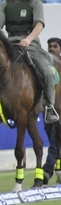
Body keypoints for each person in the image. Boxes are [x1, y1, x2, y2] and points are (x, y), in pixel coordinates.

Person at [0, 0, 59, 124]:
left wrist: (28, 39)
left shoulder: (34, 1)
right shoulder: (5, 3)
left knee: (47, 70)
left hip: (30, 44)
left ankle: (49, 106)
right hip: (10, 43)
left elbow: (39, 24)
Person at [43, 37, 61, 182]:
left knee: (55, 142)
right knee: (54, 142)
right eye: (50, 46)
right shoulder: (46, 66)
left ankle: (47, 171)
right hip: (48, 109)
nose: (51, 49)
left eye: (55, 46)